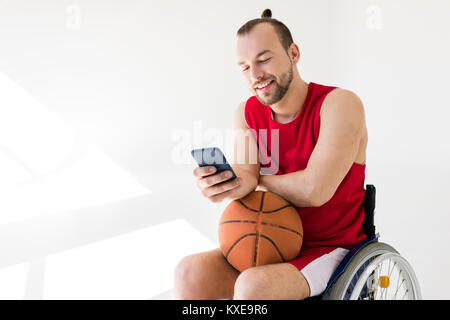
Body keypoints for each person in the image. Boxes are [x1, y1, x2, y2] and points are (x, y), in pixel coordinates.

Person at [174, 8, 368, 300]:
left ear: (293, 53)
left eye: (264, 60)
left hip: (330, 247)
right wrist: (224, 183)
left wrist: (256, 180)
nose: (255, 75)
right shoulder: (246, 112)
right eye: (244, 66)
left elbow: (315, 190)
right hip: (269, 237)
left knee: (253, 286)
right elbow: (244, 173)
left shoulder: (339, 104)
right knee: (189, 271)